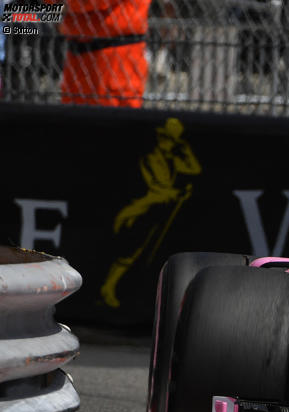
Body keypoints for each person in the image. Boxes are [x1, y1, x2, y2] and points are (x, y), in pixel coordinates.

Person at [100, 117, 201, 308]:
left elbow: (194, 169)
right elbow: (158, 188)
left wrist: (184, 149)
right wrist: (177, 193)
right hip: (143, 210)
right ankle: (108, 287)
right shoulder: (151, 158)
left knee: (147, 251)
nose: (166, 143)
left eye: (171, 140)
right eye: (164, 138)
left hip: (159, 211)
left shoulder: (173, 160)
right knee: (131, 251)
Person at [59, 0, 151, 106]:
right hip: (77, 53)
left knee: (114, 116)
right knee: (71, 116)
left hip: (116, 56)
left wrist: (65, 5)